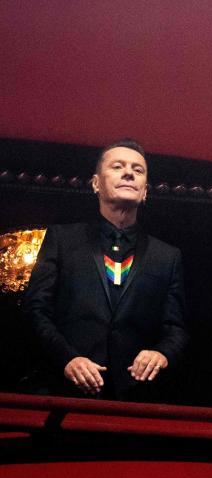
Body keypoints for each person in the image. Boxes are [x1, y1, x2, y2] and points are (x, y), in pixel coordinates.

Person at [22, 139, 187, 401]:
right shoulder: (62, 240)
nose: (129, 173)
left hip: (135, 398)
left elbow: (176, 329)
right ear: (96, 183)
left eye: (138, 170)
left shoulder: (167, 256)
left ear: (145, 191)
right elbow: (35, 311)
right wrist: (68, 359)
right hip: (65, 392)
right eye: (118, 166)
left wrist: (162, 353)